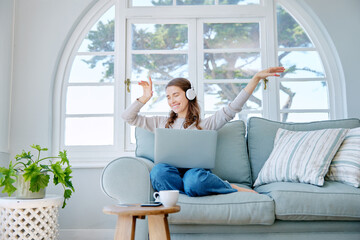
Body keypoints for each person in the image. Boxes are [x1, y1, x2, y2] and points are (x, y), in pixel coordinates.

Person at [122, 67, 285, 197]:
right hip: (170, 173)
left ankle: (222, 187)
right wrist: (144, 98)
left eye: (176, 95)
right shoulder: (160, 122)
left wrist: (255, 79)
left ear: (189, 94)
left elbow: (233, 107)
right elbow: (128, 117)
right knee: (158, 172)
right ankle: (187, 192)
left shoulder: (205, 124)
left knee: (194, 181)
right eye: (168, 97)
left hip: (195, 173)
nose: (172, 101)